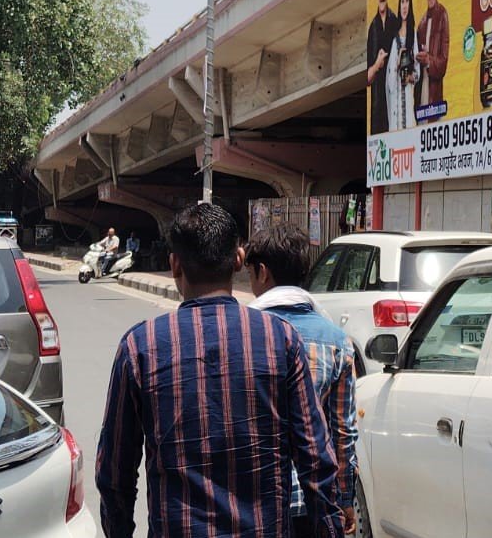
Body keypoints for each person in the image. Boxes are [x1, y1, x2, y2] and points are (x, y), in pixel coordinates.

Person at [96, 203, 344, 538]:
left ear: (175, 265)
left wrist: (119, 531)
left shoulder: (141, 346)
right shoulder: (280, 339)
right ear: (239, 259)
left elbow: (115, 473)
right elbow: (316, 459)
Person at [246, 224, 358, 538]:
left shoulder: (242, 335)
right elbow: (343, 432)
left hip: (253, 501)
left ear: (262, 272)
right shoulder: (337, 340)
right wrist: (344, 499)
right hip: (314, 502)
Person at [365, 0, 399, 134]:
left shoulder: (395, 22)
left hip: (393, 107)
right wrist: (377, 64)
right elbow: (367, 78)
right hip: (377, 109)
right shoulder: (372, 28)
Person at [415, 0, 449, 121]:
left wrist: (429, 61)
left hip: (435, 100)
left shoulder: (442, 15)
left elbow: (444, 61)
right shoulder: (421, 24)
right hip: (420, 99)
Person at [385, 0, 421, 131]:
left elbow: (418, 73)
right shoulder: (395, 40)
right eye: (402, 1)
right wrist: (398, 63)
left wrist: (410, 78)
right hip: (396, 113)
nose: (404, 5)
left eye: (407, 0)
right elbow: (390, 84)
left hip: (409, 105)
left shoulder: (413, 36)